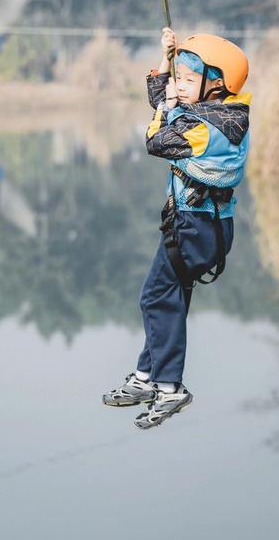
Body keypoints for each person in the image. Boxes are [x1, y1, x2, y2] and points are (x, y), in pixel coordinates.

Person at [102, 28, 251, 429]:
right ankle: (147, 376)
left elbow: (157, 139)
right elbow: (167, 101)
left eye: (188, 80)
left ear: (216, 85)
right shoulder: (222, 113)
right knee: (170, 300)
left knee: (155, 299)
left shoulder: (207, 128)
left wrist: (166, 105)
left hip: (195, 228)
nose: (178, 87)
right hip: (202, 225)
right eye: (178, 79)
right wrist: (166, 59)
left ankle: (169, 386)